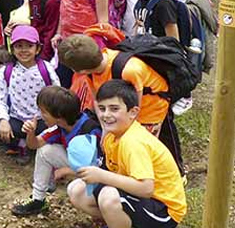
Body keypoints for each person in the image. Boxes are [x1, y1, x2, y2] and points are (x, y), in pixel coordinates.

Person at [67, 79, 187, 228]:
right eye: (102, 108)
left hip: (164, 209)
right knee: (77, 190)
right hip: (138, 198)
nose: (106, 115)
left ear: (133, 112)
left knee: (109, 197)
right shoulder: (111, 136)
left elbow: (146, 188)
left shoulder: (133, 142)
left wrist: (101, 175)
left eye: (114, 109)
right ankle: (117, 221)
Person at [58, 35, 183, 174]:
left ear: (79, 71)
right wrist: (105, 131)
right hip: (120, 106)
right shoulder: (91, 74)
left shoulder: (129, 70)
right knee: (113, 142)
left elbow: (134, 110)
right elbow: (98, 101)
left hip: (149, 108)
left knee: (136, 146)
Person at [11, 85, 102, 216]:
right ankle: (38, 199)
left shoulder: (90, 131)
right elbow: (34, 145)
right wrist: (30, 132)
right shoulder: (60, 127)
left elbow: (100, 166)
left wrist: (68, 171)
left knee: (77, 190)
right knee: (45, 150)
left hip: (101, 175)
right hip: (81, 166)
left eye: (44, 112)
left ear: (59, 116)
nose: (41, 116)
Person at [0, 25, 59, 159]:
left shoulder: (46, 69)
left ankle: (36, 143)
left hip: (41, 120)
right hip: (17, 120)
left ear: (37, 49)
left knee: (56, 130)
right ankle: (19, 143)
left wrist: (50, 118)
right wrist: (3, 120)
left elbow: (57, 96)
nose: (24, 50)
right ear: (12, 49)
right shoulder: (6, 71)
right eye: (19, 46)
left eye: (29, 46)